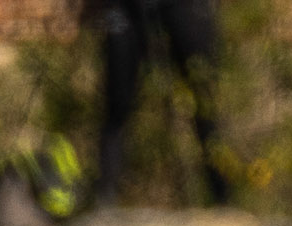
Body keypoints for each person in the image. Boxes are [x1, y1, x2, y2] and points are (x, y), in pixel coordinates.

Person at [96, 0, 231, 206]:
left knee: (205, 99)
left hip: (184, 7)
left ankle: (224, 200)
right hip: (125, 8)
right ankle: (106, 201)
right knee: (117, 105)